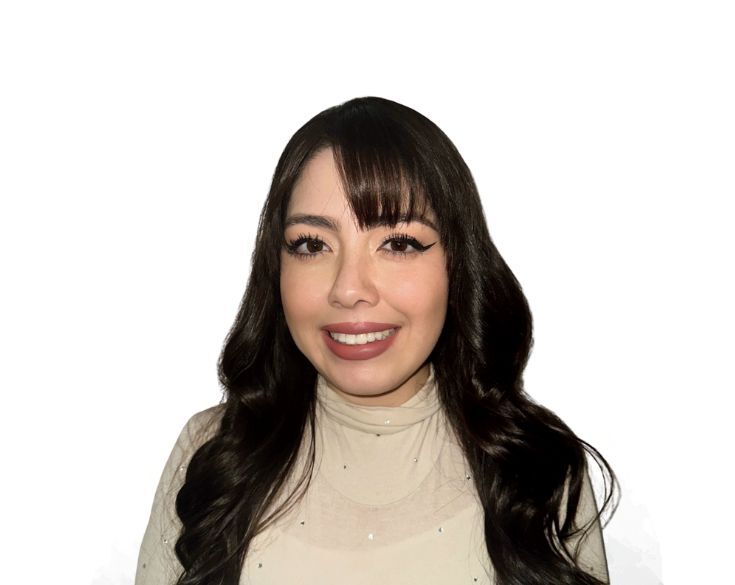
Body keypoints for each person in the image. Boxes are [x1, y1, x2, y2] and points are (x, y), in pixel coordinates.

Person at [135, 97, 617, 585]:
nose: (348, 289)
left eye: (399, 243)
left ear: (458, 265)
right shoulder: (213, 454)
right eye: (311, 245)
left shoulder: (537, 469)